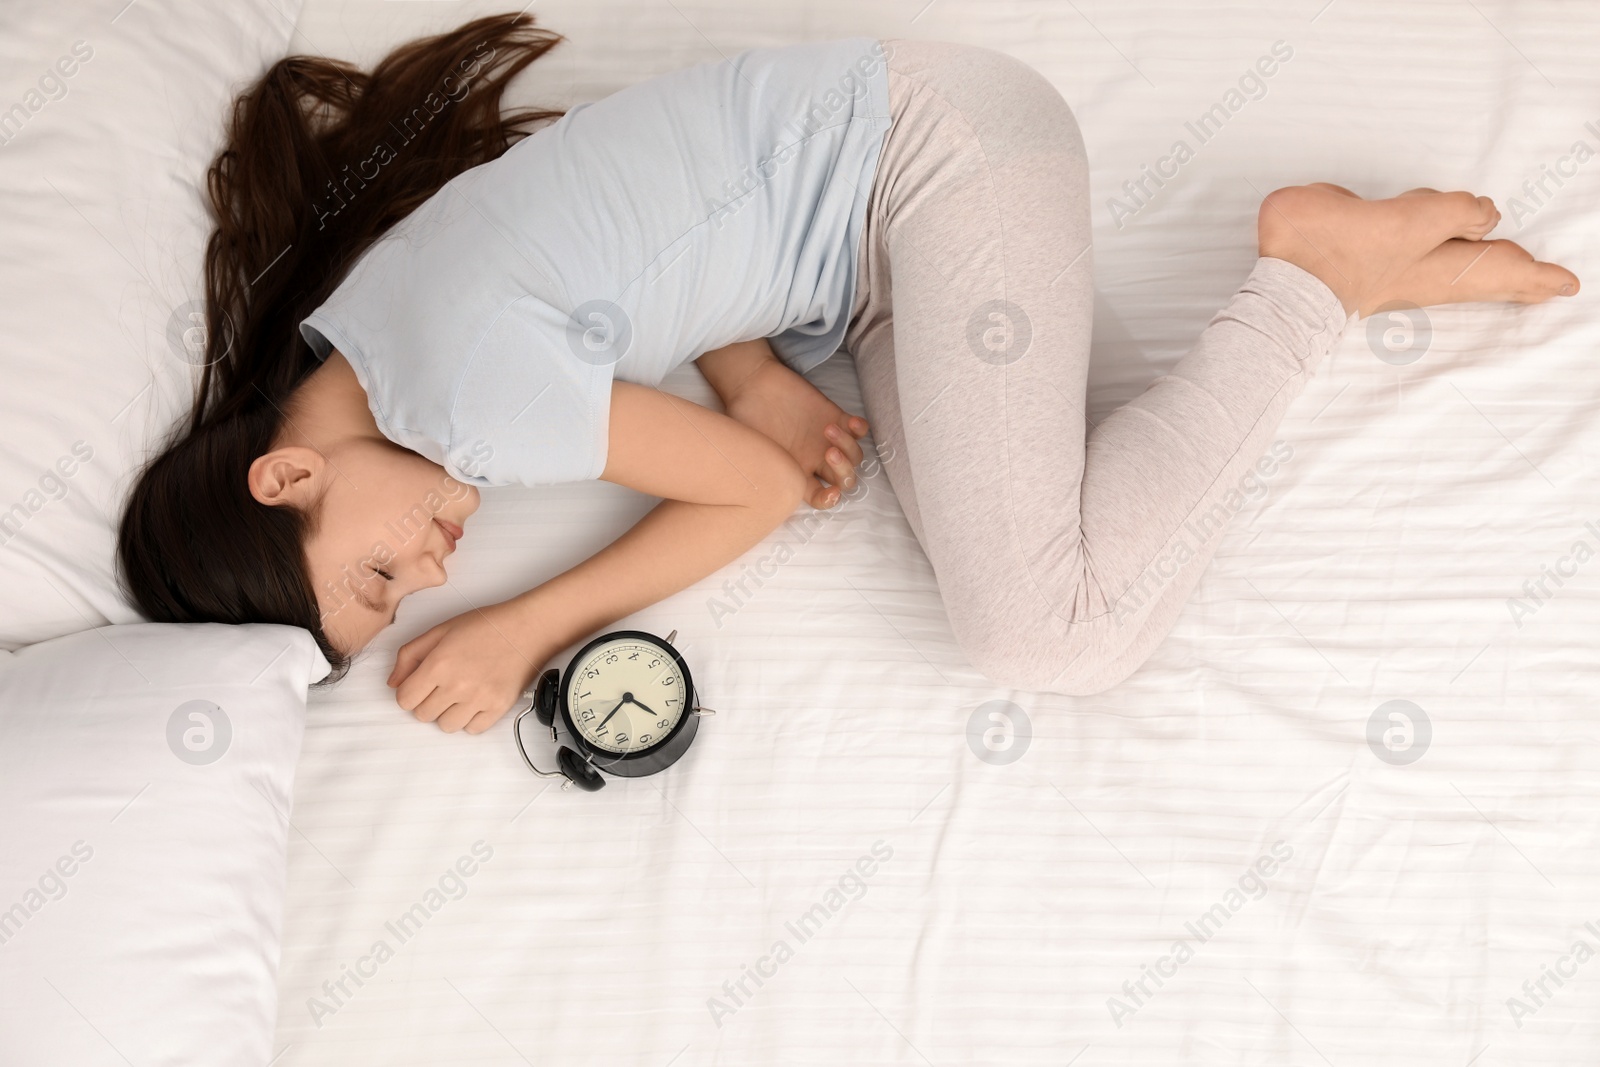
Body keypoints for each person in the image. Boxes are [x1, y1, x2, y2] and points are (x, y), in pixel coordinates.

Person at [117, 15, 1579, 734]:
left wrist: (526, 626)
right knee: (1020, 564)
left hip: (933, 157)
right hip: (866, 217)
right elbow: (607, 236)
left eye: (375, 579)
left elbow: (756, 496)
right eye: (403, 606)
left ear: (287, 474)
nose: (425, 577)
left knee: (1050, 636)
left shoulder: (457, 409)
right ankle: (1359, 274)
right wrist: (743, 364)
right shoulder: (372, 334)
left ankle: (1316, 275)